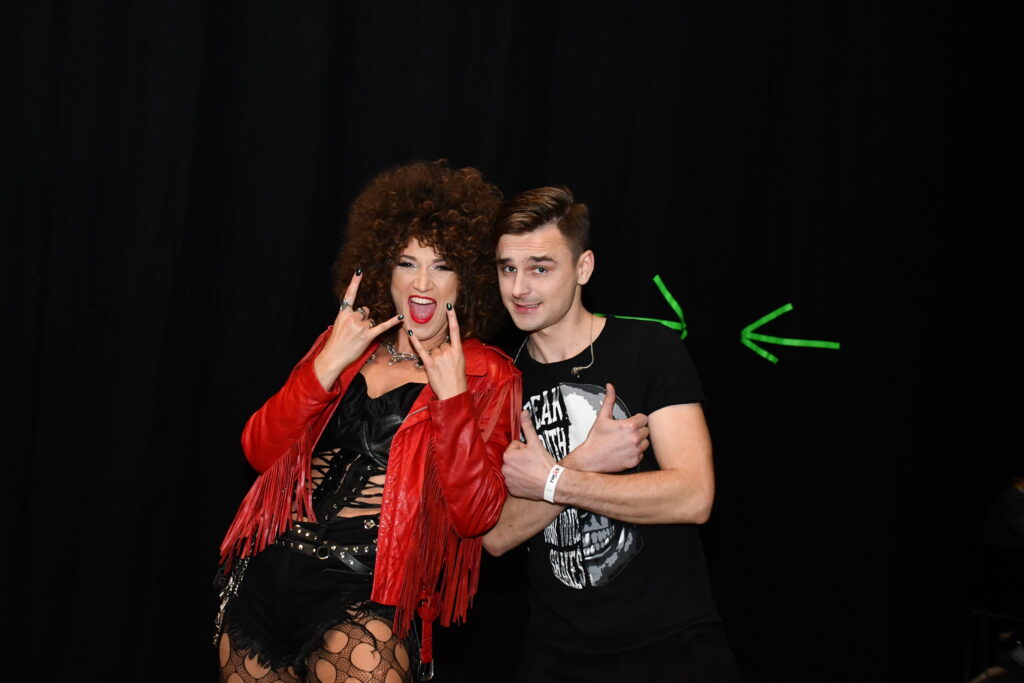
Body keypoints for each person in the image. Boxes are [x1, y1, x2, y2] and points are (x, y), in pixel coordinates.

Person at [213, 160, 521, 682]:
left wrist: (453, 400)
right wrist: (327, 364)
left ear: (467, 278)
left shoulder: (487, 373)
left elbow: (476, 517)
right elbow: (258, 450)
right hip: (268, 573)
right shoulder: (345, 345)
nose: (422, 282)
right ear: (383, 269)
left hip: (368, 591)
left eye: (442, 266)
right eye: (407, 262)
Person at [483, 185, 742, 682]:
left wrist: (554, 481)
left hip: (674, 644)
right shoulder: (498, 381)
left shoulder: (649, 348)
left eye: (540, 268)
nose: (519, 288)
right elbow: (495, 536)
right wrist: (582, 461)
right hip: (556, 654)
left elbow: (694, 495)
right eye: (507, 269)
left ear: (583, 268)